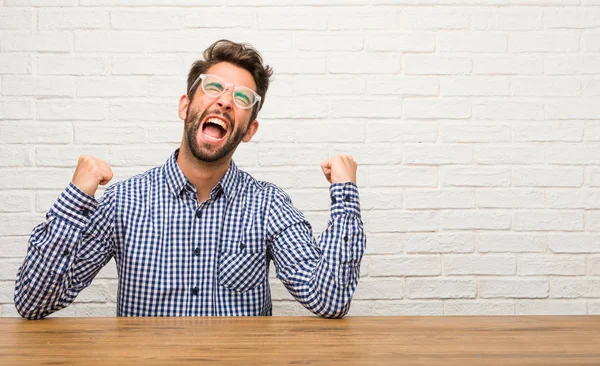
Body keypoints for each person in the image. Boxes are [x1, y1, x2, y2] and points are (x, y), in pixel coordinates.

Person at [14, 39, 366, 319]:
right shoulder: (124, 202)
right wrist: (77, 196)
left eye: (242, 97)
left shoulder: (268, 205)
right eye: (214, 87)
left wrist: (345, 194)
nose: (226, 101)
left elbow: (329, 299)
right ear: (186, 106)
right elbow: (33, 302)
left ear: (249, 130)